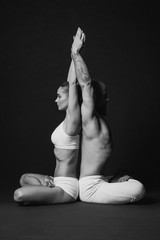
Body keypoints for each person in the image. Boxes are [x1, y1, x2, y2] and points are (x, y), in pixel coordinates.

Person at [71, 27, 146, 204]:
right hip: (90, 188)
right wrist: (75, 52)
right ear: (94, 98)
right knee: (139, 188)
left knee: (124, 173)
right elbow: (86, 84)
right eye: (105, 96)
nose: (109, 99)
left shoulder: (98, 120)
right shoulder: (89, 119)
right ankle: (110, 182)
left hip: (99, 180)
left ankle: (110, 180)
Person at [13, 28, 85, 205]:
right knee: (24, 178)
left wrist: (74, 52)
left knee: (19, 195)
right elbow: (70, 83)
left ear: (71, 99)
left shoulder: (73, 120)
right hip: (56, 179)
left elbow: (73, 83)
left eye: (60, 96)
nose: (55, 100)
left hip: (67, 188)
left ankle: (48, 190)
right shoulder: (65, 122)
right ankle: (47, 185)